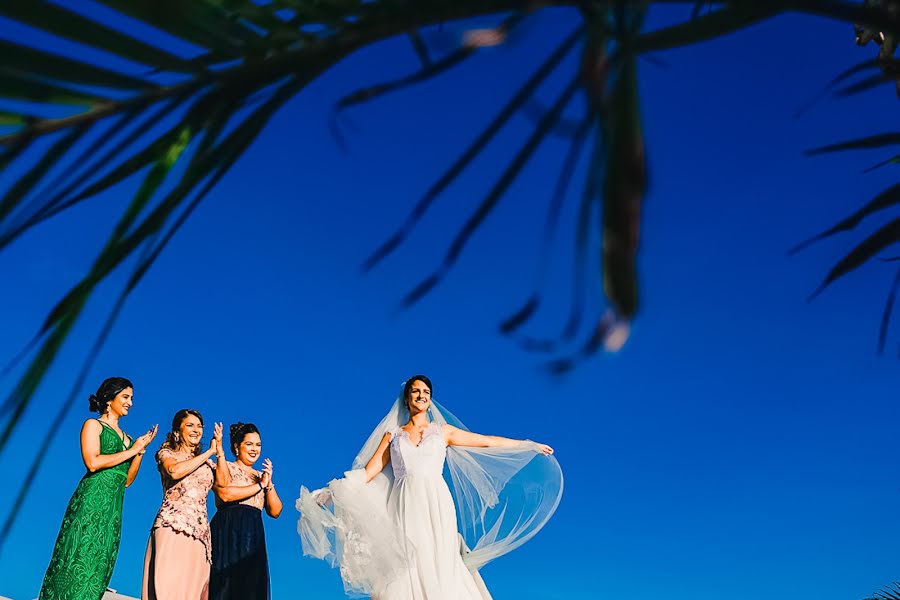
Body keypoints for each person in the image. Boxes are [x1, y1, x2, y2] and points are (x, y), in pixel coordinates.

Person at [297, 375, 563, 599]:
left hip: (436, 502)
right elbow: (368, 473)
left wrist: (527, 445)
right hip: (404, 504)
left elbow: (484, 441)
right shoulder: (393, 436)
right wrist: (331, 493)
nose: (421, 395)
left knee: (438, 558)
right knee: (408, 562)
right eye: (416, 391)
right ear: (407, 398)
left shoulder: (442, 431)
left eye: (426, 392)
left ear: (430, 399)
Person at [39, 376, 157, 600]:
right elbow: (92, 462)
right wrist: (132, 451)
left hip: (112, 508)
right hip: (91, 500)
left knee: (101, 559)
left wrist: (140, 450)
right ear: (109, 398)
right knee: (78, 554)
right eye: (125, 397)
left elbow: (127, 480)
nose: (130, 402)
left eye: (131, 398)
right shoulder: (93, 425)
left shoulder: (129, 439)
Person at [141, 410, 229, 600]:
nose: (196, 430)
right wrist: (209, 453)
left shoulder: (208, 464)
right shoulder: (167, 454)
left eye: (199, 426)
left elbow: (224, 486)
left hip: (200, 535)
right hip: (173, 526)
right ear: (177, 432)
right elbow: (174, 471)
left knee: (194, 591)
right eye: (190, 425)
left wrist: (219, 451)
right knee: (169, 588)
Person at [209, 422, 283, 600]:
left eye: (258, 445)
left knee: (250, 587)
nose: (254, 449)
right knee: (225, 584)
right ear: (236, 446)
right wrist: (259, 486)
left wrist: (268, 483)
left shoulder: (261, 475)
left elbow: (275, 511)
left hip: (253, 534)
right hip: (228, 529)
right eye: (249, 444)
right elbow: (225, 494)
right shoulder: (224, 465)